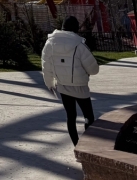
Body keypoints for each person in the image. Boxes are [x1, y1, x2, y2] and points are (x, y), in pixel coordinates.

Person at [41, 16, 100, 146]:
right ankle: (88, 145)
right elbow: (94, 69)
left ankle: (76, 144)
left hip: (63, 85)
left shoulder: (49, 44)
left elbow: (46, 66)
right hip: (80, 86)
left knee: (71, 117)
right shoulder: (79, 45)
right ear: (75, 28)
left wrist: (49, 84)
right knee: (88, 116)